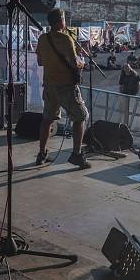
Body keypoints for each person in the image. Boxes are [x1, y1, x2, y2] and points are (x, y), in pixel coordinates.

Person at [35, 9, 91, 169]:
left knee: (47, 119)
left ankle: (42, 153)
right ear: (61, 21)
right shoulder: (67, 39)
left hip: (49, 85)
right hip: (66, 86)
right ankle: (76, 155)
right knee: (81, 116)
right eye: (64, 20)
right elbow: (74, 63)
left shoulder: (43, 38)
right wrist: (82, 62)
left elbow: (40, 61)